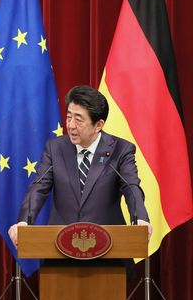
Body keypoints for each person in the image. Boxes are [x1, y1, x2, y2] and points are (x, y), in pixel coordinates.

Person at [8, 85, 152, 247]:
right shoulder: (55, 148)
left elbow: (131, 186)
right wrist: (24, 222)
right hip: (59, 247)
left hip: (109, 247)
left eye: (78, 119)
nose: (70, 125)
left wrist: (140, 218)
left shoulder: (121, 149)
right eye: (69, 117)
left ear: (98, 125)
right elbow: (39, 187)